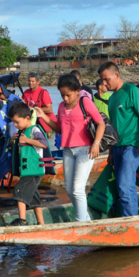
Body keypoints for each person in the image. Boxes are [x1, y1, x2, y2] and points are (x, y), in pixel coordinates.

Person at [35, 74, 105, 221]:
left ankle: (80, 222)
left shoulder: (85, 102)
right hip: (67, 150)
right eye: (62, 95)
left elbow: (100, 123)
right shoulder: (61, 106)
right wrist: (43, 116)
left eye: (68, 95)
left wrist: (96, 143)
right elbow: (60, 129)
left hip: (85, 150)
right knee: (69, 189)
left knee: (78, 189)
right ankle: (85, 218)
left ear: (77, 90)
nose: (65, 99)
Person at [98, 62, 139, 216]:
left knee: (124, 184)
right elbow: (113, 128)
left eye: (107, 79)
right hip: (118, 147)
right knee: (125, 185)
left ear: (117, 75)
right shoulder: (112, 98)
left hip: (133, 145)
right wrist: (110, 152)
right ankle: (131, 217)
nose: (105, 83)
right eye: (103, 80)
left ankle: (129, 220)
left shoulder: (132, 91)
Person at [8, 102, 48, 226]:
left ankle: (22, 220)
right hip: (28, 170)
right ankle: (41, 223)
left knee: (20, 191)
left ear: (27, 118)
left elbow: (44, 143)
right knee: (34, 196)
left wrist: (27, 140)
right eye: (13, 122)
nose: (15, 125)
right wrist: (12, 141)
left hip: (34, 169)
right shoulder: (22, 132)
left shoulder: (34, 130)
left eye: (17, 122)